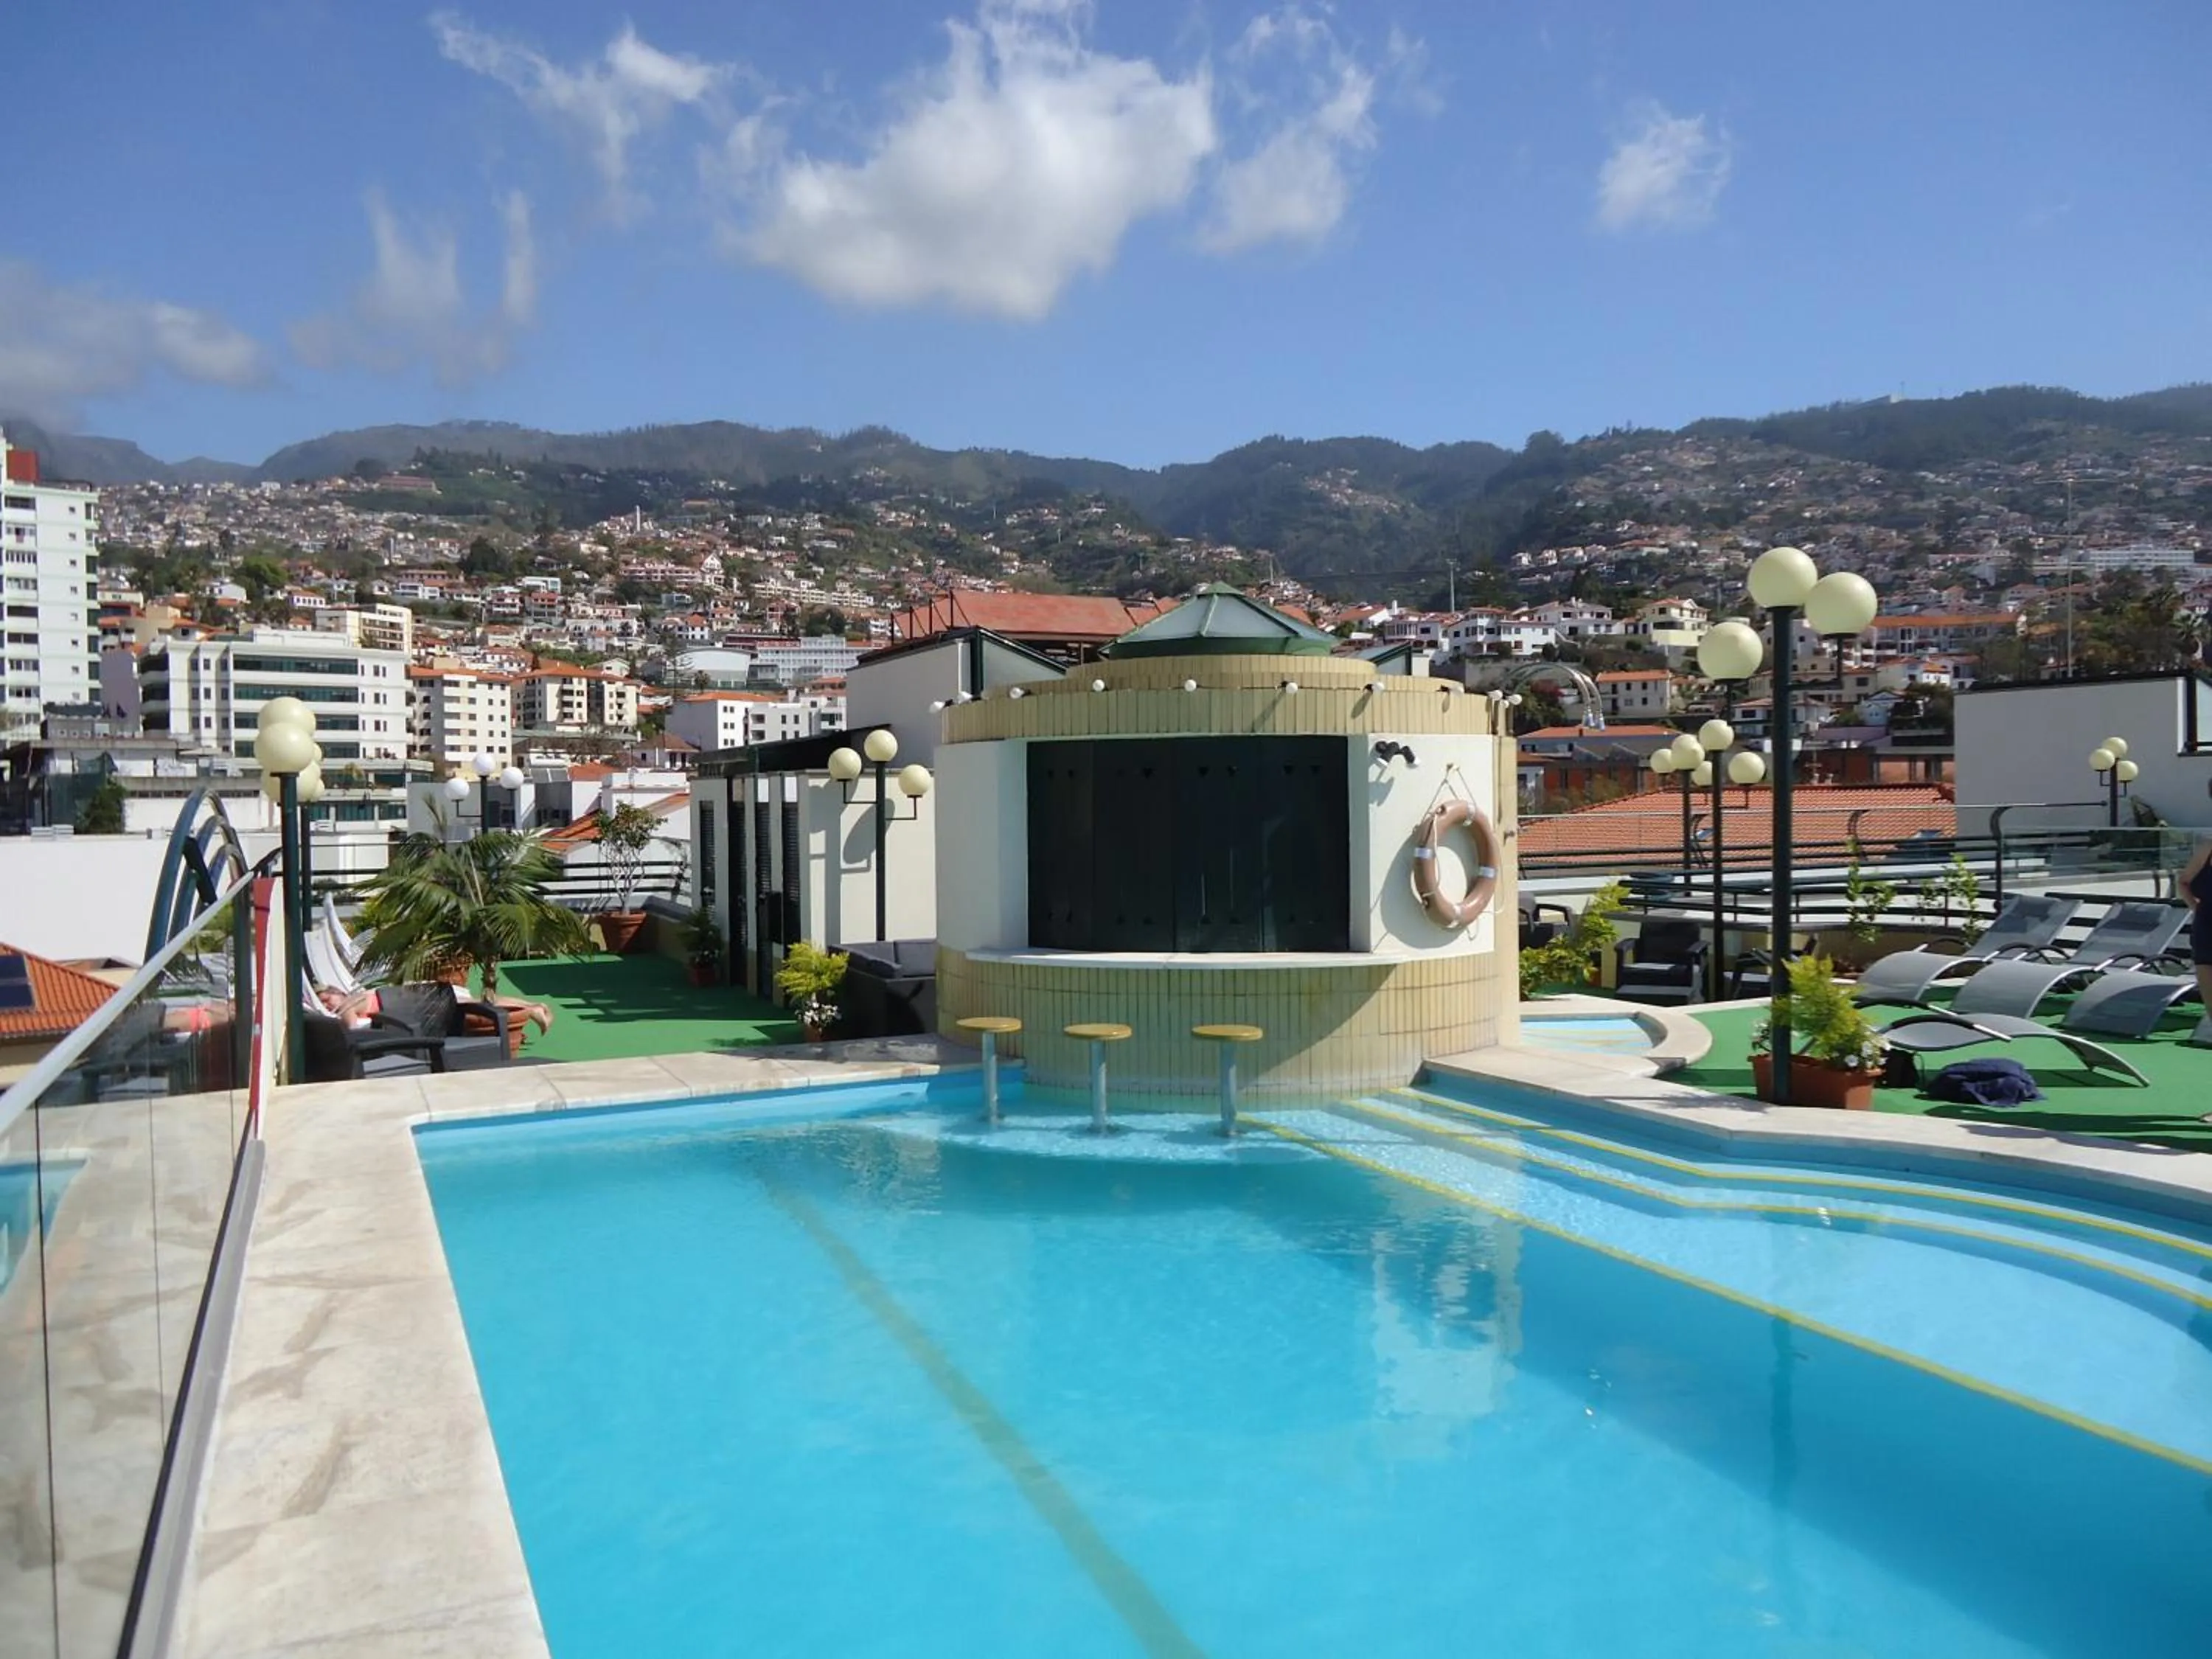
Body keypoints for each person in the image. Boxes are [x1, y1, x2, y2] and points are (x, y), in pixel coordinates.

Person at [314, 984, 555, 1037]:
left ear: (337, 992)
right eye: (323, 1003)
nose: (327, 1004)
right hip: (430, 997)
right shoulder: (362, 993)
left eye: (326, 998)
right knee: (482, 1002)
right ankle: (533, 1006)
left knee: (481, 1005)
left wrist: (336, 1015)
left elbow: (350, 1027)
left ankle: (533, 1010)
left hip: (431, 1001)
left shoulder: (352, 1000)